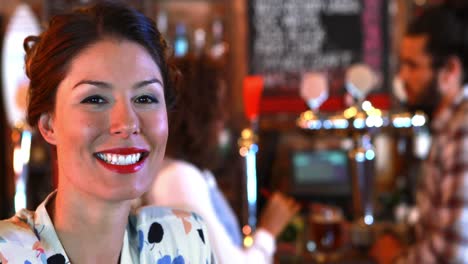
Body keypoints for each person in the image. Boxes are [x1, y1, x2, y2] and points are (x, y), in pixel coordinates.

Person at [0, 2, 215, 263]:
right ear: (48, 124)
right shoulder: (7, 252)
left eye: (146, 98)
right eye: (95, 99)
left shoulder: (184, 241)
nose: (126, 123)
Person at [141, 55, 300, 263]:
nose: (224, 118)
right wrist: (268, 232)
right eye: (218, 106)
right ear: (199, 114)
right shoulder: (177, 178)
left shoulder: (180, 172)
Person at [396, 5, 468, 263]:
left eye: (412, 66)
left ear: (450, 70)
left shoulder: (463, 132)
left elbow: (453, 255)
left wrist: (396, 259)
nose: (402, 77)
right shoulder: (448, 126)